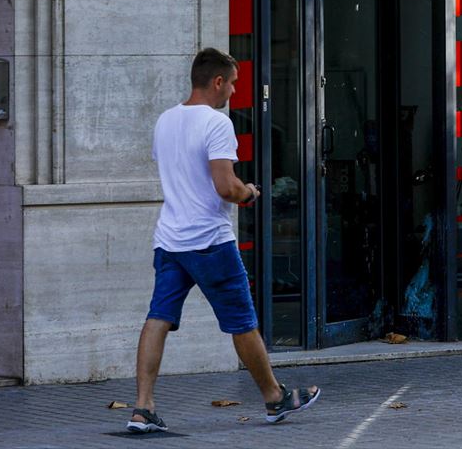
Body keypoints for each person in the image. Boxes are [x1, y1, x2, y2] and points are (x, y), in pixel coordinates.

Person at [128, 48, 319, 432]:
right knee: (242, 322)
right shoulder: (217, 124)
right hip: (210, 242)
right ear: (217, 82)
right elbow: (224, 187)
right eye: (232, 83)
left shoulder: (165, 121)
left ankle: (142, 408)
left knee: (158, 318)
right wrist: (248, 192)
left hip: (169, 240)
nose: (234, 91)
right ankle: (274, 397)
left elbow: (180, 175)